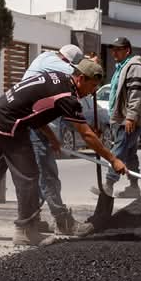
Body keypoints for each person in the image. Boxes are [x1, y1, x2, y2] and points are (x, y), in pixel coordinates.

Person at [0, 58, 127, 246]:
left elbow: (35, 110)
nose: (93, 91)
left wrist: (51, 136)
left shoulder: (58, 78)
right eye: (92, 85)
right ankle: (25, 230)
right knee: (29, 175)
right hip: (10, 124)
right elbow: (86, 134)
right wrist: (113, 159)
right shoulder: (67, 97)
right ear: (80, 79)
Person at [21, 44, 85, 235]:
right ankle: (62, 221)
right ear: (67, 61)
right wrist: (91, 67)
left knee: (38, 174)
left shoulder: (47, 60)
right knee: (47, 174)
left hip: (30, 122)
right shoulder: (52, 61)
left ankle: (32, 220)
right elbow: (78, 76)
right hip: (32, 124)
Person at [92, 37, 141, 199]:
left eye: (118, 49)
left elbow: (135, 93)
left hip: (127, 120)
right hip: (121, 118)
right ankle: (134, 187)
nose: (114, 53)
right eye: (113, 50)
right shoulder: (122, 67)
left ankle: (108, 185)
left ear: (127, 50)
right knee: (129, 153)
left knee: (118, 150)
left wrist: (131, 116)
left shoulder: (135, 67)